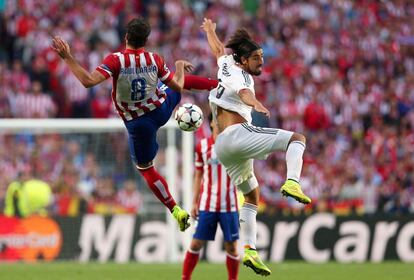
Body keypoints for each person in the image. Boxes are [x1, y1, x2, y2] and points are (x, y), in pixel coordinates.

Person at [51, 17, 217, 232]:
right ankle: (219, 85)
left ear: (126, 37)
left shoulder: (116, 60)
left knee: (146, 169)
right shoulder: (154, 59)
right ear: (146, 40)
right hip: (161, 110)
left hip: (139, 124)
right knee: (176, 84)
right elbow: (178, 85)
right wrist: (178, 67)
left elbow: (88, 81)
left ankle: (176, 209)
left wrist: (67, 57)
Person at [201, 18, 311, 276]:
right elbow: (243, 94)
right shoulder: (243, 78)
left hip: (223, 146)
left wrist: (210, 32)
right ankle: (293, 181)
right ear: (243, 60)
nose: (261, 62)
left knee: (251, 196)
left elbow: (218, 50)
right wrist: (257, 104)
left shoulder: (226, 63)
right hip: (237, 134)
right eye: (256, 58)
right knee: (297, 138)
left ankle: (249, 249)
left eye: (262, 56)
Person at [182, 115, 240, 280]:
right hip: (207, 204)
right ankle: (185, 277)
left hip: (229, 205)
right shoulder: (202, 146)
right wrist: (194, 202)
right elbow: (198, 175)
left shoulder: (234, 145)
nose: (221, 121)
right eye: (217, 119)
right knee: (196, 243)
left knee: (231, 247)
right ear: (212, 123)